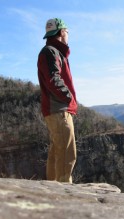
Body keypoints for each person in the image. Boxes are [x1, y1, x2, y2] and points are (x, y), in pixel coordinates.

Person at [37, 18, 77, 183]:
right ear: (61, 32)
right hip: (59, 110)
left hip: (57, 110)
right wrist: (68, 97)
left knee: (57, 151)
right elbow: (54, 79)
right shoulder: (51, 51)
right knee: (67, 154)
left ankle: (52, 188)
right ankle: (64, 192)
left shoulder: (53, 51)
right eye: (67, 32)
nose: (68, 35)